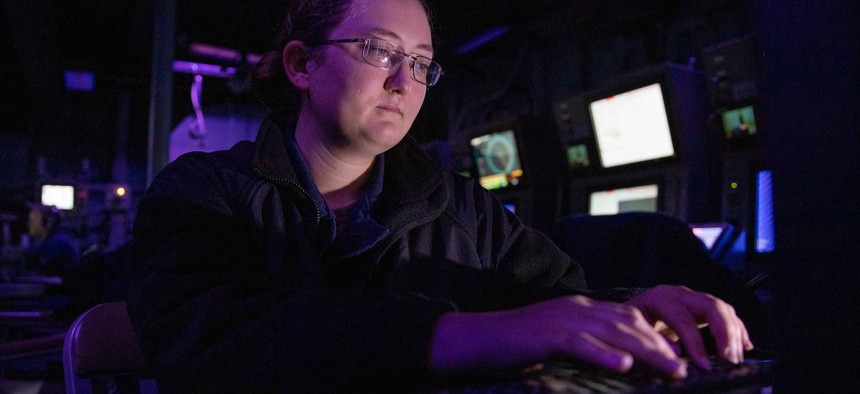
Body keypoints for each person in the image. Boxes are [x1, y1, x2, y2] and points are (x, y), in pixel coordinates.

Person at [127, 0, 753, 391]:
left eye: (422, 62)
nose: (405, 81)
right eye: (378, 50)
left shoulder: (460, 206)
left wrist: (635, 308)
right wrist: (455, 335)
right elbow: (221, 342)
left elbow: (554, 304)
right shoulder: (199, 194)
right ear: (301, 64)